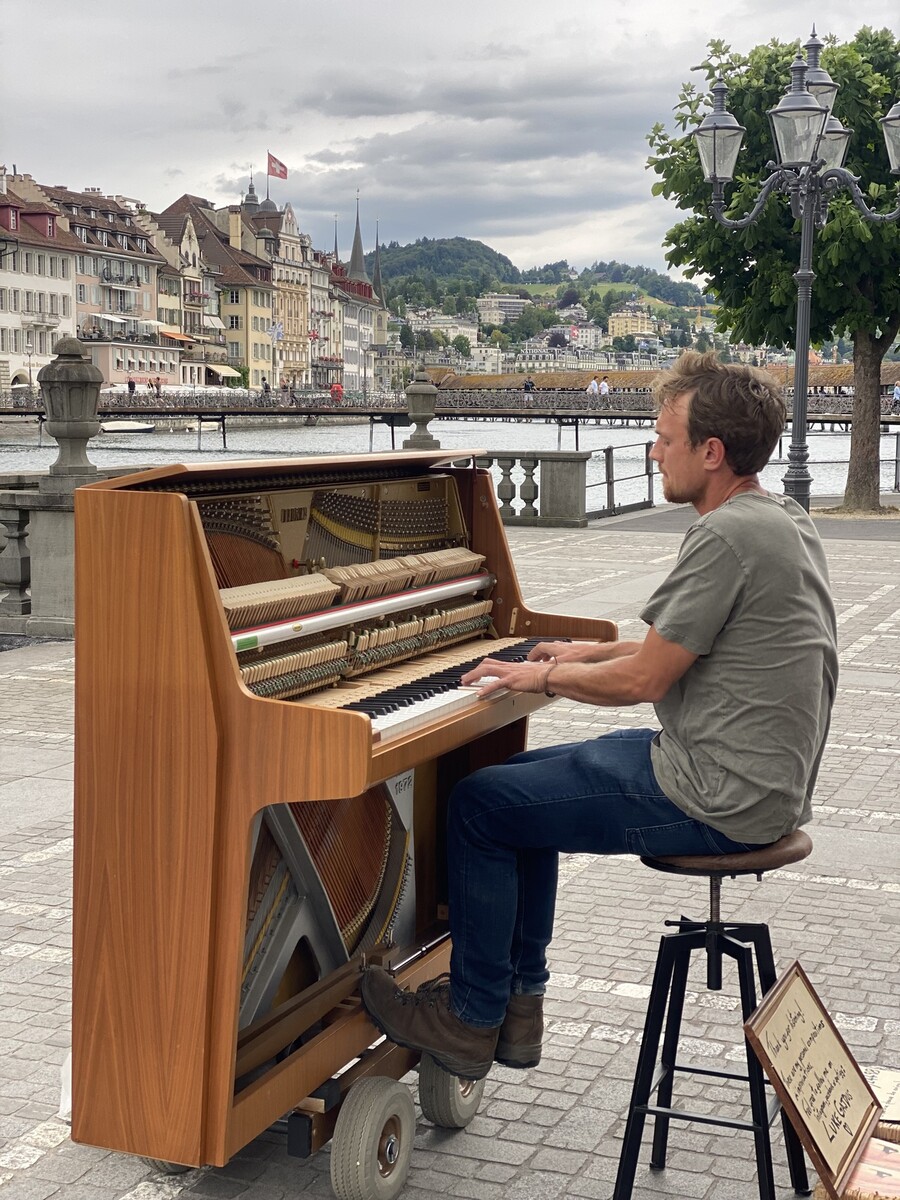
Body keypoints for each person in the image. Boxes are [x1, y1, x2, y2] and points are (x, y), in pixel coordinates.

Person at [360, 351, 838, 1082]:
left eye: (664, 438)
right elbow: (667, 650)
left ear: (711, 453)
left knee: (479, 806)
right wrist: (570, 652)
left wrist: (541, 675)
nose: (653, 450)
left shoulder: (725, 535)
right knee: (516, 784)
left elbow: (646, 677)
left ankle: (471, 1016)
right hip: (753, 782)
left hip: (714, 795)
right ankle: (516, 1009)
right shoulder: (779, 519)